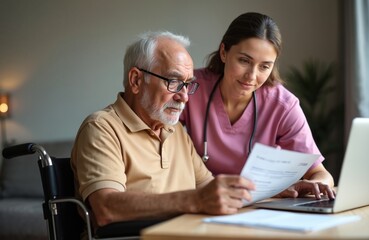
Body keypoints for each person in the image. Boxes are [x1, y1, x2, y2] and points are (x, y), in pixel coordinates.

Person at [70, 31, 256, 231]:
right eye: (173, 82)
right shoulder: (101, 127)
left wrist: (259, 191)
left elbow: (207, 190)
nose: (184, 97)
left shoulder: (176, 131)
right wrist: (195, 200)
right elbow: (106, 208)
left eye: (187, 84)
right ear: (136, 80)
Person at [180, 12, 335, 200]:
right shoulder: (192, 88)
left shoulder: (283, 106)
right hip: (203, 200)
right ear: (224, 52)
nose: (251, 76)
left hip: (259, 204)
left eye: (264, 66)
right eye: (244, 61)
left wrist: (317, 186)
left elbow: (320, 174)